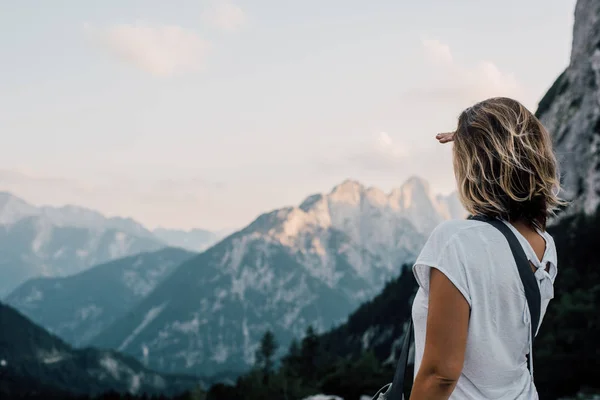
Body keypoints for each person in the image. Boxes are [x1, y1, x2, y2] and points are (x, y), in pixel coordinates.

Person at [409, 97, 565, 400]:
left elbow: (440, 374)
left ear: (472, 166)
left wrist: (474, 141)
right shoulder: (544, 246)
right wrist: (480, 139)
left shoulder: (456, 241)